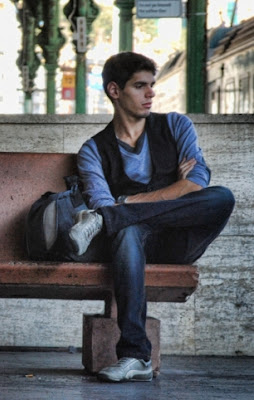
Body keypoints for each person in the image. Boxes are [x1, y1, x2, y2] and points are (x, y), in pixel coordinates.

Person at [68, 52, 234, 383]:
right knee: (126, 230)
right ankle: (135, 357)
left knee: (221, 196)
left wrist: (127, 201)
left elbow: (198, 182)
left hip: (178, 241)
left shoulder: (176, 125)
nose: (151, 94)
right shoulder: (93, 151)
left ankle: (120, 219)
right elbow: (105, 207)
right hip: (128, 248)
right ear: (115, 91)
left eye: (152, 85)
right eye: (140, 86)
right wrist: (176, 186)